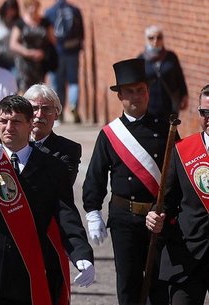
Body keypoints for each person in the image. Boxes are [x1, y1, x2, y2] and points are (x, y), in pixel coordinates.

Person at [0, 95, 94, 305]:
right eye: (3, 121)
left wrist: (81, 255)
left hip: (26, 272)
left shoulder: (52, 167)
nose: (8, 127)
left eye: (16, 121)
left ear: (31, 125)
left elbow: (66, 216)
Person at [83, 58, 172, 305]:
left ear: (148, 91)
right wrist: (92, 211)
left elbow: (177, 176)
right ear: (120, 95)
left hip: (158, 219)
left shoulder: (166, 130)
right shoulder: (110, 135)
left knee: (159, 284)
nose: (136, 97)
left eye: (141, 90)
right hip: (125, 220)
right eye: (130, 92)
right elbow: (96, 176)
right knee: (128, 284)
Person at [146, 84, 209, 304]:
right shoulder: (183, 151)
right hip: (187, 256)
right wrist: (156, 214)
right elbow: (167, 200)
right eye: (205, 113)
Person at [24, 83, 82, 185]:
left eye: (46, 109)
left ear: (56, 114)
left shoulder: (68, 149)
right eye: (34, 108)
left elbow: (61, 186)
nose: (39, 114)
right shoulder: (15, 145)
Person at [44, 0, 84, 123]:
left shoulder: (49, 12)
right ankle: (73, 105)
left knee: (56, 82)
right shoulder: (75, 10)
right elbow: (82, 33)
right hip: (73, 51)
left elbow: (47, 34)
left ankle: (58, 113)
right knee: (73, 81)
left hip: (57, 52)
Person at [138, 26, 189, 119]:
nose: (155, 40)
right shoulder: (141, 59)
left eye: (159, 37)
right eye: (151, 38)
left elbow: (179, 76)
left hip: (170, 105)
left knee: (170, 132)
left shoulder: (171, 56)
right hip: (150, 106)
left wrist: (184, 95)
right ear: (146, 39)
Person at [9, 0, 55, 93]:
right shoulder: (20, 23)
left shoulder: (45, 22)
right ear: (26, 8)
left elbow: (53, 40)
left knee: (39, 89)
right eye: (31, 6)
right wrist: (28, 52)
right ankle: (24, 107)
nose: (33, 9)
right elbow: (13, 43)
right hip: (24, 62)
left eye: (35, 6)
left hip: (40, 62)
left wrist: (45, 53)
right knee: (24, 88)